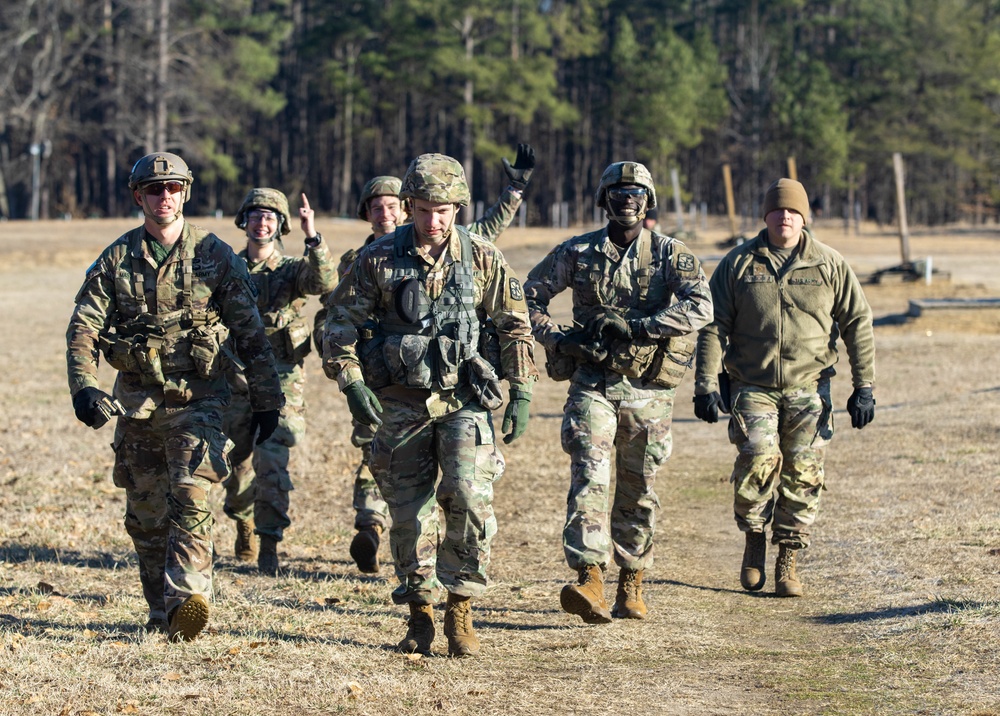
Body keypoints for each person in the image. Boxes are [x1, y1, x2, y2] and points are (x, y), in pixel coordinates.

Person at [322, 153, 537, 657]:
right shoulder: (377, 258)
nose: (432, 220)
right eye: (422, 210)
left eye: (442, 210)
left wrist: (521, 388)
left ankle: (460, 604)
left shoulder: (482, 256)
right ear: (409, 206)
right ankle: (420, 611)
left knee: (467, 495)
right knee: (408, 513)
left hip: (463, 400)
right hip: (399, 402)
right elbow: (338, 325)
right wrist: (352, 381)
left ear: (458, 207)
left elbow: (514, 324)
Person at [66, 152, 284, 641]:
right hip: (137, 403)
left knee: (190, 494)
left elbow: (249, 332)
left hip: (201, 399)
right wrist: (84, 385)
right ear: (138, 196)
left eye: (173, 188)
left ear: (186, 193)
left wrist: (268, 398)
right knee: (146, 519)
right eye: (154, 189)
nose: (164, 197)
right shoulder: (117, 258)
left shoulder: (215, 254)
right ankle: (159, 609)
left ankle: (188, 597)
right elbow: (84, 327)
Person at [523, 161, 713, 624]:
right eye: (618, 193)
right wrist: (560, 339)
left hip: (648, 389)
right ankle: (590, 576)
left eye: (637, 194)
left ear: (649, 202)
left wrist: (639, 326)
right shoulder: (578, 251)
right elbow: (525, 297)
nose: (627, 201)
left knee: (638, 484)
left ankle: (633, 579)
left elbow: (701, 306)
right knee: (590, 471)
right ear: (603, 200)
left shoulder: (670, 253)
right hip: (591, 383)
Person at [693, 177, 876, 597]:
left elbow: (857, 323)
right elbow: (712, 325)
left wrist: (864, 386)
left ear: (804, 218)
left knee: (804, 472)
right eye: (778, 210)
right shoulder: (739, 263)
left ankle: (788, 555)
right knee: (758, 458)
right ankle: (755, 538)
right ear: (766, 216)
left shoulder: (828, 263)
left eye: (793, 211)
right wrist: (706, 384)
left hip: (809, 386)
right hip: (751, 385)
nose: (786, 217)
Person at [221, 188, 336, 575]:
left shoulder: (290, 269)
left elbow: (322, 282)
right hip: (236, 376)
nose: (262, 222)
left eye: (270, 217)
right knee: (234, 466)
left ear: (280, 225)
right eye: (255, 215)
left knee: (272, 461)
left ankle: (269, 543)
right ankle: (244, 522)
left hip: (283, 376)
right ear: (244, 221)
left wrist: (312, 235)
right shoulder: (228, 266)